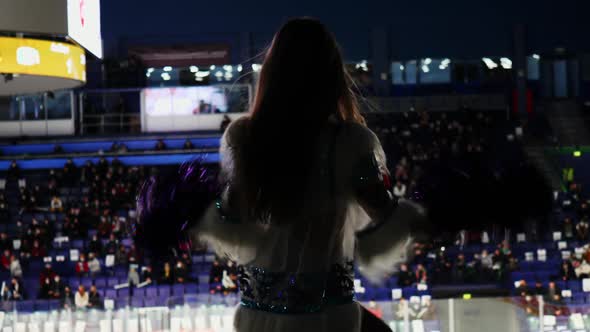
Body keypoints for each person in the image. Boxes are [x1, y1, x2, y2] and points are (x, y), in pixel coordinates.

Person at [137, 18, 425, 332]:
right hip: (330, 321)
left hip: (261, 322)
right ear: (331, 76)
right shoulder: (350, 142)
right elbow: (385, 219)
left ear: (272, 72)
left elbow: (233, 224)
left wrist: (193, 209)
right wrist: (426, 211)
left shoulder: (244, 138)